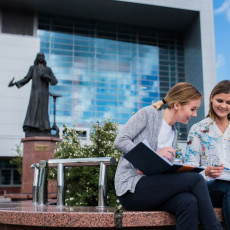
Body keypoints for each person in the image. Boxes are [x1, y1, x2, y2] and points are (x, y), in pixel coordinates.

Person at [114, 82, 223, 230]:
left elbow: (159, 168)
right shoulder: (148, 114)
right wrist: (153, 155)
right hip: (132, 189)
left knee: (188, 201)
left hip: (154, 188)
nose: (195, 114)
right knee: (196, 179)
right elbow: (120, 141)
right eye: (193, 109)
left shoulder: (173, 131)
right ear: (177, 105)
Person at [186, 80, 230, 230]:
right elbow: (189, 169)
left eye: (228, 102)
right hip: (206, 189)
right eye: (220, 100)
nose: (223, 106)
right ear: (211, 98)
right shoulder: (198, 129)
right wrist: (206, 171)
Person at [8, 52, 58, 137]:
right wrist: (15, 84)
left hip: (44, 94)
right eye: (39, 56)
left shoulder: (48, 69)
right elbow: (26, 78)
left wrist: (47, 76)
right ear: (36, 58)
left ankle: (44, 128)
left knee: (43, 111)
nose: (41, 57)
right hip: (35, 93)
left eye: (42, 56)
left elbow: (55, 81)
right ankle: (31, 127)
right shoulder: (33, 68)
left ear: (44, 58)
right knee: (33, 110)